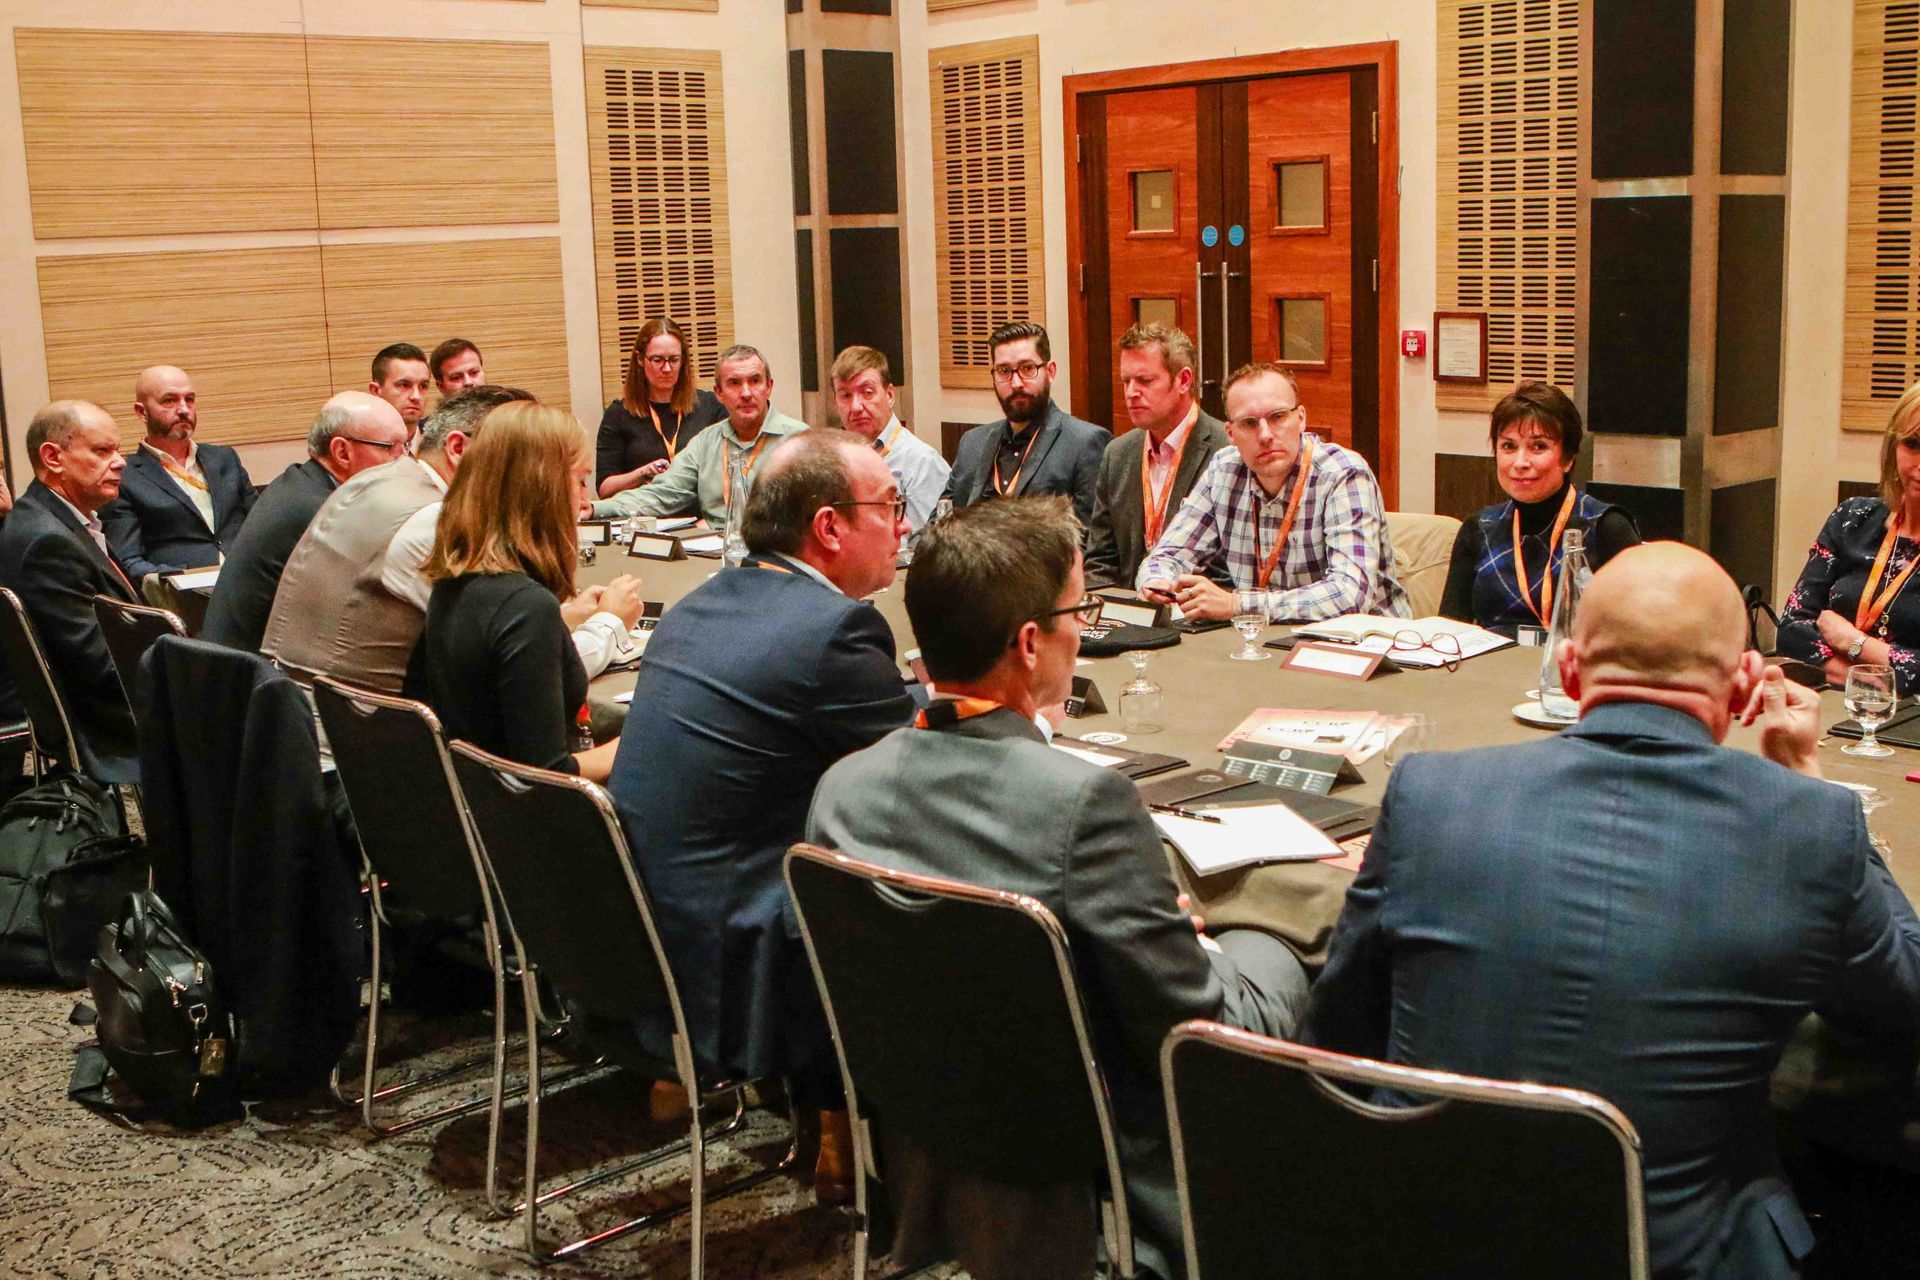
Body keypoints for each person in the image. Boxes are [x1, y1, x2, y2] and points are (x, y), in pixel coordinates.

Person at [1307, 542, 1920, 1280]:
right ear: (1743, 687)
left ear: (1569, 672)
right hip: (1681, 1256)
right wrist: (1814, 786)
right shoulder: (1811, 829)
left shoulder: (1428, 794)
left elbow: (1335, 1037)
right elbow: (1906, 1001)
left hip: (1418, 1241)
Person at [808, 496, 1308, 1280]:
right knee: (1290, 943)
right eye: (1080, 611)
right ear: (1030, 642)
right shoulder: (1083, 805)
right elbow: (1198, 1029)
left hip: (926, 1126)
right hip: (1091, 1152)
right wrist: (1227, 945)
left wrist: (1139, 929)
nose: (1084, 630)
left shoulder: (841, 790)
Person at [608, 427, 915, 1204]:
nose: (904, 524)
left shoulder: (699, 604)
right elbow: (917, 772)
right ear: (830, 527)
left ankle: (828, 1124)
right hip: (739, 953)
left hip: (645, 933)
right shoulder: (834, 632)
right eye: (890, 505)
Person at [420, 403, 619, 781]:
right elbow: (544, 772)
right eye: (579, 481)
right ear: (541, 489)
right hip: (535, 809)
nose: (583, 502)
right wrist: (639, 741)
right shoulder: (527, 606)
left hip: (479, 793)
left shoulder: (454, 581)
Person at [1137, 362, 1408, 622]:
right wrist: (1157, 582)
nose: (1265, 435)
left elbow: (1349, 595)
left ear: (1301, 418)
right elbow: (1166, 555)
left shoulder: (1343, 474)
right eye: (1249, 423)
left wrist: (1237, 605)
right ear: (1230, 432)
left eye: (1278, 417)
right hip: (1265, 639)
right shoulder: (1223, 471)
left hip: (1366, 643)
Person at [201, 392, 410, 652]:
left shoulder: (301, 483)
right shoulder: (324, 512)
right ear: (342, 452)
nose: (405, 460)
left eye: (406, 446)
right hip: (250, 670)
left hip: (240, 659)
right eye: (390, 447)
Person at [1437, 381, 1640, 633]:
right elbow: (1450, 631)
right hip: (1491, 658)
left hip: (1573, 657)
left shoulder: (1606, 527)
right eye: (1508, 446)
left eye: (1539, 446)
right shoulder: (1479, 528)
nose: (1520, 462)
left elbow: (1637, 633)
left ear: (1568, 459)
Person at [0, 401, 140, 762]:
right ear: (53, 458)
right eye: (102, 451)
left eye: (117, 450)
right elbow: (99, 667)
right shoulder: (47, 542)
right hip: (107, 726)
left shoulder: (52, 517)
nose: (121, 462)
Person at [1779, 380, 1920, 693]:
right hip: (1836, 707)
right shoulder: (1852, 518)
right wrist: (1870, 682)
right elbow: (1791, 631)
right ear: (1893, 448)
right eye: (1913, 444)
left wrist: (1852, 641)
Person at [590, 344, 807, 528]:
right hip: (710, 552)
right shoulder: (706, 442)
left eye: (755, 381)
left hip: (774, 552)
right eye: (734, 383)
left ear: (769, 386)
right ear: (719, 393)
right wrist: (593, 509)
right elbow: (662, 494)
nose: (746, 393)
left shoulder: (801, 441)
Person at [1084, 323, 1232, 588]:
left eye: (1145, 381)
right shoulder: (1117, 453)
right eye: (1126, 381)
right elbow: (1100, 562)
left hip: (1195, 606)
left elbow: (1230, 565)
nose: (1131, 393)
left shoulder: (1226, 451)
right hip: (1128, 607)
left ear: (1183, 380)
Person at [102, 365, 259, 584]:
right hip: (185, 593)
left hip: (250, 581)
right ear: (142, 412)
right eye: (169, 401)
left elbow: (263, 525)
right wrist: (185, 580)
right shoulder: (124, 477)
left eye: (190, 400)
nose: (184, 409)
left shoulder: (225, 458)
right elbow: (128, 563)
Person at [942, 321, 1107, 526]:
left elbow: (1089, 537)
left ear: (1051, 371)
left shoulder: (1085, 443)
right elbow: (940, 523)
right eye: (1004, 371)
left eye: (1028, 368)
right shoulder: (972, 442)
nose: (1016, 383)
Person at [595, 317, 727, 499]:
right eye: (657, 360)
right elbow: (605, 489)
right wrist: (643, 473)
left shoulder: (710, 406)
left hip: (700, 512)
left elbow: (729, 468)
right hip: (645, 511)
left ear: (683, 361)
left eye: (674, 359)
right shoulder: (618, 414)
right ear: (640, 359)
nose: (667, 368)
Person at [830, 344, 950, 531]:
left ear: (890, 395)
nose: (856, 407)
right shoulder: (833, 459)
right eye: (845, 395)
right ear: (835, 403)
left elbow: (929, 541)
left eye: (867, 393)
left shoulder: (920, 461)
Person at [368, 343, 432, 444]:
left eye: (423, 386)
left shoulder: (444, 445)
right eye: (404, 385)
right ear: (376, 391)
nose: (416, 396)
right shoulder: (358, 448)